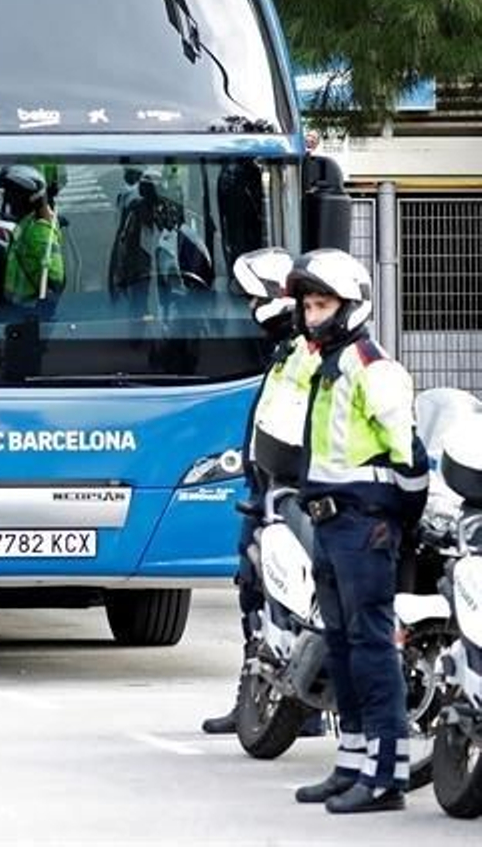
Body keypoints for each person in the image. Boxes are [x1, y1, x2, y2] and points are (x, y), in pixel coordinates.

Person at [287, 248, 429, 814]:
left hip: (363, 526)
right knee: (341, 647)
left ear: (350, 307)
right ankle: (351, 763)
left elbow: (411, 460)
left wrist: (395, 525)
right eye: (306, 304)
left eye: (320, 304)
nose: (309, 314)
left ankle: (387, 776)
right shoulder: (324, 364)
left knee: (372, 649)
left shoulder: (373, 368)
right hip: (328, 522)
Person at [201, 247, 321, 734]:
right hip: (264, 486)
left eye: (256, 299)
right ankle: (256, 692)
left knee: (292, 593)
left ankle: (301, 705)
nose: (251, 310)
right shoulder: (286, 350)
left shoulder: (309, 351)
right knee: (255, 589)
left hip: (290, 491)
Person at [0, 165, 64, 308]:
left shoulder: (39, 232)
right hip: (15, 312)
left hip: (29, 316)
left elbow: (54, 281)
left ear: (22, 199)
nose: (8, 202)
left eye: (11, 197)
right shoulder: (26, 225)